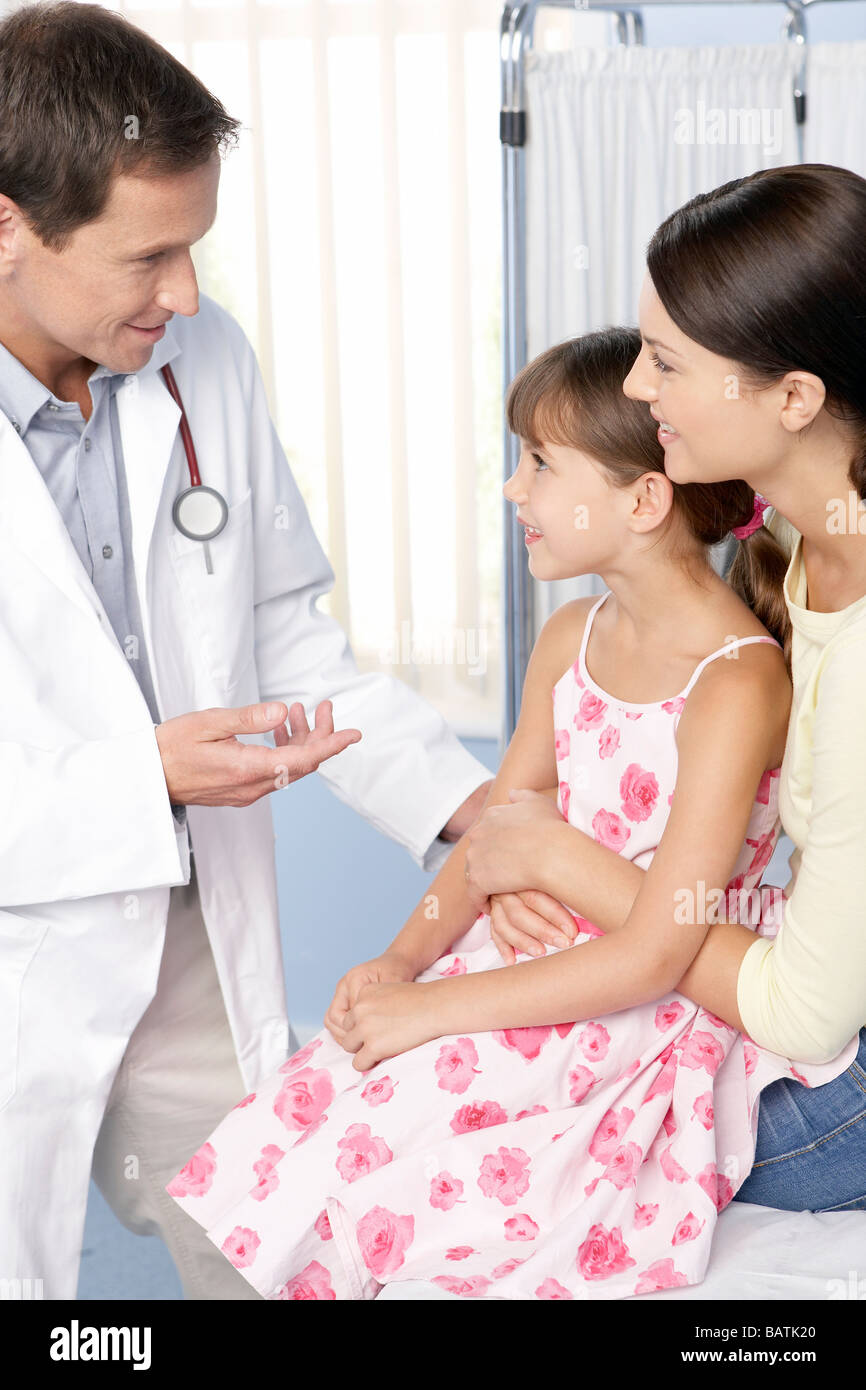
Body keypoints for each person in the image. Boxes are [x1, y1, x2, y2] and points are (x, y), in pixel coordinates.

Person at [165, 324, 859, 1300]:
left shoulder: (735, 679)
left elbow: (656, 953)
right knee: (332, 1084)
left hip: (641, 996)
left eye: (537, 462)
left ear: (642, 497)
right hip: (527, 958)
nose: (512, 489)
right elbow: (499, 830)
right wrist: (399, 963)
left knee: (418, 1133)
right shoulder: (569, 633)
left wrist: (431, 1006)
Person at [0, 1, 492, 1302]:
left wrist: (469, 814)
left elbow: (281, 632)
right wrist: (141, 777)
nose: (189, 294)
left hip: (185, 940)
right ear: (6, 223)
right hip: (17, 949)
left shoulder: (195, 360)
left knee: (279, 1252)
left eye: (195, 248)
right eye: (148, 255)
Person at [468, 163, 866, 1217]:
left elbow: (802, 1016)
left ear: (792, 398)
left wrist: (556, 859)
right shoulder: (796, 540)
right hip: (777, 977)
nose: (637, 391)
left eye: (663, 362)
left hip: (845, 1080)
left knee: (490, 1155)